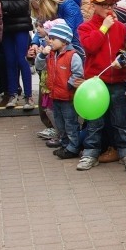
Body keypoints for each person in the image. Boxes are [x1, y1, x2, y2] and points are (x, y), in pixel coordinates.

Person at [77, 0, 126, 171]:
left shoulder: (122, 27)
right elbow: (90, 47)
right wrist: (104, 28)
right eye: (104, 4)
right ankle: (91, 152)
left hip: (117, 80)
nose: (109, 8)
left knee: (120, 119)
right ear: (94, 5)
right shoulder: (85, 27)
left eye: (112, 4)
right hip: (95, 82)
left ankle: (125, 150)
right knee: (95, 120)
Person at [34, 21, 84, 158]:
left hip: (67, 97)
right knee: (60, 124)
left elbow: (78, 73)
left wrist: (69, 84)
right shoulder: (51, 55)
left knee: (70, 123)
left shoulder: (72, 55)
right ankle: (65, 144)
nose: (49, 41)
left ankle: (73, 147)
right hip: (55, 96)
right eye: (50, 38)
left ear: (64, 41)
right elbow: (38, 66)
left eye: (53, 39)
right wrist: (42, 55)